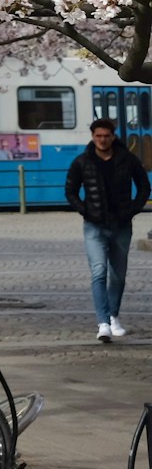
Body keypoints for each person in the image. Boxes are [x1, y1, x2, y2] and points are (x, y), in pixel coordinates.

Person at [66, 116, 151, 342]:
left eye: (106, 136)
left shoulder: (128, 160)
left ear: (113, 137)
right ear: (93, 137)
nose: (102, 140)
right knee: (98, 272)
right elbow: (70, 191)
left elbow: (144, 186)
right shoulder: (82, 162)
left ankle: (113, 316)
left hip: (122, 225)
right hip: (94, 226)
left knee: (118, 276)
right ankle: (103, 322)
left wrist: (133, 209)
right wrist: (86, 211)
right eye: (98, 136)